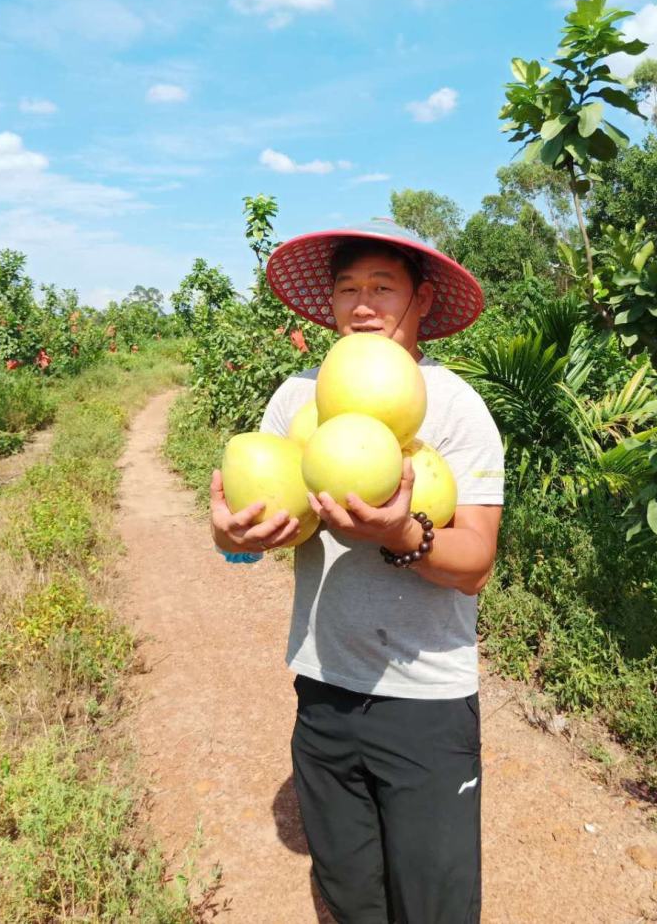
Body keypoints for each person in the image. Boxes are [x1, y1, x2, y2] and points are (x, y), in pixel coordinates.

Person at [210, 218, 504, 924]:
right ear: (330, 304)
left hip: (427, 700)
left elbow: (476, 562)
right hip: (324, 688)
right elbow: (258, 530)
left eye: (383, 286)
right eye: (348, 288)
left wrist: (401, 533)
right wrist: (230, 536)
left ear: (422, 300)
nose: (364, 304)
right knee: (346, 896)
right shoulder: (295, 397)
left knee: (433, 904)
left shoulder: (457, 408)